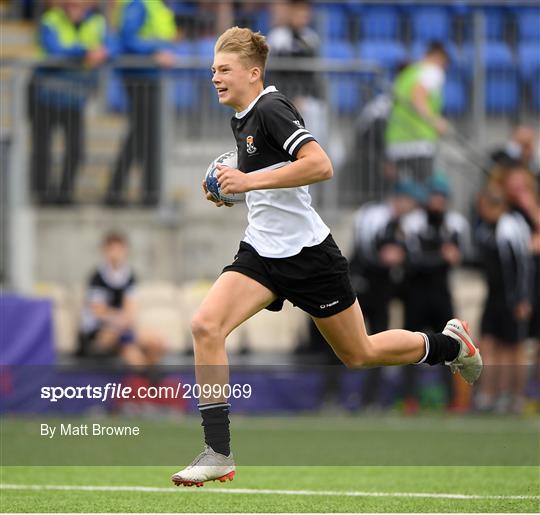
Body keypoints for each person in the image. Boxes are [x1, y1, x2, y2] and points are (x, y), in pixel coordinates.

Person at [170, 27, 482, 487]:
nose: (214, 77)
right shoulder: (243, 116)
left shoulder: (273, 108)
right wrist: (231, 188)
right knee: (205, 326)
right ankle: (218, 451)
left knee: (360, 353)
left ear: (253, 74)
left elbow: (321, 165)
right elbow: (269, 173)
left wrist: (246, 182)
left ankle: (450, 345)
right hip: (262, 252)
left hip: (310, 255)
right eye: (213, 70)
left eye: (224, 70)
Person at [30, 0, 113, 205]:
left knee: (76, 150)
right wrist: (85, 53)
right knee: (42, 149)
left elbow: (110, 48)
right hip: (46, 97)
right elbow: (55, 51)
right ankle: (42, 195)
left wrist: (100, 54)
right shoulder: (50, 20)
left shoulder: (97, 22)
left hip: (75, 98)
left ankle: (64, 195)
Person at [348, 180, 422, 409]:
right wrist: (384, 260)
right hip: (363, 288)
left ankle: (371, 397)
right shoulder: (376, 216)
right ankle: (334, 395)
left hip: (381, 292)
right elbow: (363, 251)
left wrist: (398, 258)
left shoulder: (401, 223)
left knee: (377, 343)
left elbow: (409, 257)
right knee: (350, 340)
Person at [106, 0, 177, 207]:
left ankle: (147, 194)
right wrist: (156, 50)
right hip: (140, 78)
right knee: (141, 136)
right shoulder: (138, 4)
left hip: (152, 79)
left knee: (147, 137)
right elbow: (128, 40)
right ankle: (121, 191)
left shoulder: (157, 7)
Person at [474, 183, 534, 414]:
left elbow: (522, 266)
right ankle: (489, 395)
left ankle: (514, 396)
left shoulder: (510, 227)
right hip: (494, 296)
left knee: (513, 349)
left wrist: (521, 299)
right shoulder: (487, 229)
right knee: (488, 344)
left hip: (511, 298)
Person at [79, 232, 165, 366]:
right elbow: (99, 312)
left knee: (155, 343)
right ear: (105, 251)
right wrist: (119, 320)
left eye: (119, 249)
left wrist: (124, 321)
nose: (116, 254)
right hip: (99, 331)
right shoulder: (97, 278)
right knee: (126, 347)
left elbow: (131, 309)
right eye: (112, 249)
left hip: (122, 328)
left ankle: (151, 381)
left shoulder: (130, 276)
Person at [385, 41, 450, 186]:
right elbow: (418, 96)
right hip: (420, 142)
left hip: (397, 142)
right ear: (439, 57)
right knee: (423, 190)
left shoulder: (407, 74)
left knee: (403, 192)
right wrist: (435, 121)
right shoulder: (433, 71)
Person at [266, 0, 327, 147]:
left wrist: (307, 96)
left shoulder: (311, 38)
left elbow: (312, 73)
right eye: (298, 11)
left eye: (305, 12)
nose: (303, 16)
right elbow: (275, 73)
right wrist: (289, 99)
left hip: (309, 99)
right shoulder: (277, 37)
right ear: (290, 12)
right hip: (284, 100)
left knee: (315, 141)